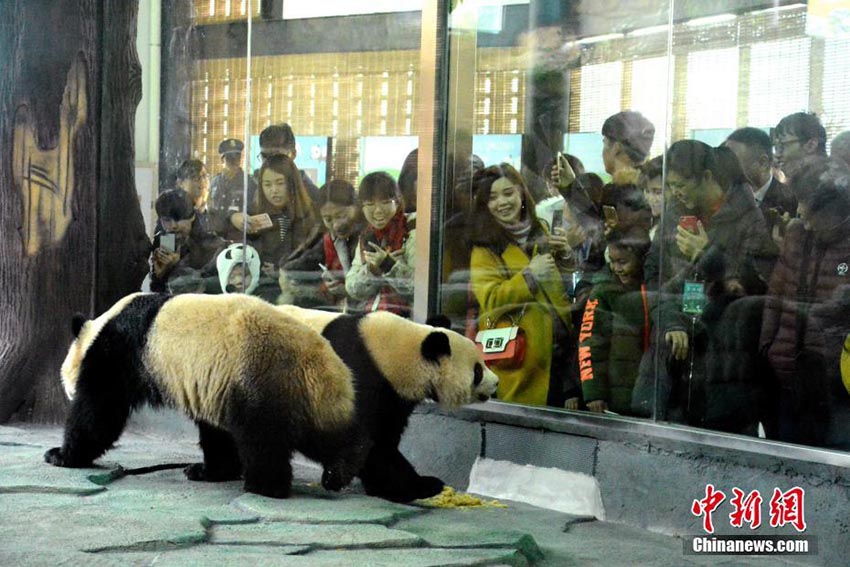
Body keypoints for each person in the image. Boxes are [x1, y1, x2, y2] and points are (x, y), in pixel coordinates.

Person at [641, 140, 778, 428]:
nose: (675, 192)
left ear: (706, 177)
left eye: (681, 184)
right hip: (674, 353)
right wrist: (670, 322)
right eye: (671, 185)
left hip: (724, 354)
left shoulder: (746, 215)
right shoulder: (676, 212)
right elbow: (654, 273)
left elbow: (757, 286)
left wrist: (708, 255)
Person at [468, 163, 576, 408]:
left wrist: (566, 257)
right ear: (485, 205)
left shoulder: (541, 231)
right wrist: (529, 276)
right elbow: (491, 300)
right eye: (493, 197)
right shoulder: (485, 248)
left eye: (509, 193)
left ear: (521, 194)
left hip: (559, 356)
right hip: (520, 362)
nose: (502, 203)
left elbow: (557, 285)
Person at [759, 158, 850, 448]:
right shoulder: (797, 234)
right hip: (787, 368)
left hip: (837, 378)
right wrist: (766, 347)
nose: (800, 213)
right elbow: (775, 295)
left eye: (807, 206)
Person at [579, 230, 651, 415]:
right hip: (616, 397)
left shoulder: (653, 289)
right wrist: (593, 393)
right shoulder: (603, 293)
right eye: (612, 262)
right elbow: (589, 343)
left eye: (623, 262)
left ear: (640, 259)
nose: (617, 268)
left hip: (648, 393)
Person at [280, 179, 363, 312]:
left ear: (357, 208)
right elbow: (297, 266)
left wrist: (348, 290)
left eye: (341, 216)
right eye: (328, 219)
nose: (336, 224)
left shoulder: (368, 236)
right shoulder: (328, 239)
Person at [345, 172, 416, 315]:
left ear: (397, 201)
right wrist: (372, 270)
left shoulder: (412, 228)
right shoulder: (367, 235)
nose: (377, 211)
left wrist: (389, 264)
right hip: (372, 318)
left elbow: (419, 288)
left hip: (408, 321)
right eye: (370, 204)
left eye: (385, 203)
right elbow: (352, 288)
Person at [250, 154, 320, 272]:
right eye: (267, 185)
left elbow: (313, 258)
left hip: (296, 281)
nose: (274, 190)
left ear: (292, 183)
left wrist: (280, 269)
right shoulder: (255, 215)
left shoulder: (310, 214)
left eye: (280, 183)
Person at [149, 188, 226, 294]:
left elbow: (211, 285)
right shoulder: (163, 240)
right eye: (166, 220)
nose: (173, 226)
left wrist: (177, 266)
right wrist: (160, 274)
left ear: (192, 216)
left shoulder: (210, 242)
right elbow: (156, 288)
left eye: (178, 219)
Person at [724, 127, 796, 239]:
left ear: (763, 163)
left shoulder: (790, 201)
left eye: (733, 162)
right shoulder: (725, 199)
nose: (727, 169)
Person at [208, 138, 258, 241]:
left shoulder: (249, 183)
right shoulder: (214, 182)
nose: (234, 162)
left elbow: (254, 211)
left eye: (237, 157)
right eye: (230, 158)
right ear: (222, 159)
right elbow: (210, 209)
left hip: (239, 237)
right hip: (216, 237)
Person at [256, 123, 320, 203]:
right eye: (265, 156)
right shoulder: (254, 187)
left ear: (293, 154)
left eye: (277, 157)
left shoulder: (311, 193)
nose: (270, 162)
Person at [216, 243, 280, 303]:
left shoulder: (268, 296)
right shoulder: (216, 299)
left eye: (245, 275)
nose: (239, 281)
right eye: (232, 277)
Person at [773, 112, 827, 182]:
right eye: (776, 148)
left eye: (783, 145)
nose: (777, 155)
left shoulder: (829, 185)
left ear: (811, 145)